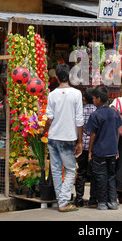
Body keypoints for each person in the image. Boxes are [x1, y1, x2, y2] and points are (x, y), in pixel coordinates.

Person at [41, 63, 84, 212]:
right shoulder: (76, 94)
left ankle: (62, 200)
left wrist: (43, 131)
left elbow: (49, 119)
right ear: (70, 77)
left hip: (53, 136)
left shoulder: (52, 94)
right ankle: (63, 201)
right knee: (71, 169)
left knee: (57, 170)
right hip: (68, 137)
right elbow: (79, 120)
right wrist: (80, 141)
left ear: (57, 78)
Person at [86, 86, 122, 210]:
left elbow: (93, 134)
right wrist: (116, 148)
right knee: (111, 176)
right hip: (112, 150)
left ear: (98, 99)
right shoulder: (114, 113)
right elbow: (118, 131)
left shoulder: (95, 115)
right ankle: (112, 201)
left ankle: (102, 202)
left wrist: (90, 150)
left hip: (99, 151)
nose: (93, 100)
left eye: (94, 98)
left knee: (101, 176)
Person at [74, 88, 97, 207]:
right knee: (94, 173)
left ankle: (79, 198)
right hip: (94, 146)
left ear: (84, 99)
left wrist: (79, 142)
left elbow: (78, 126)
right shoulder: (97, 111)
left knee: (81, 172)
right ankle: (93, 198)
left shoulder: (81, 111)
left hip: (82, 144)